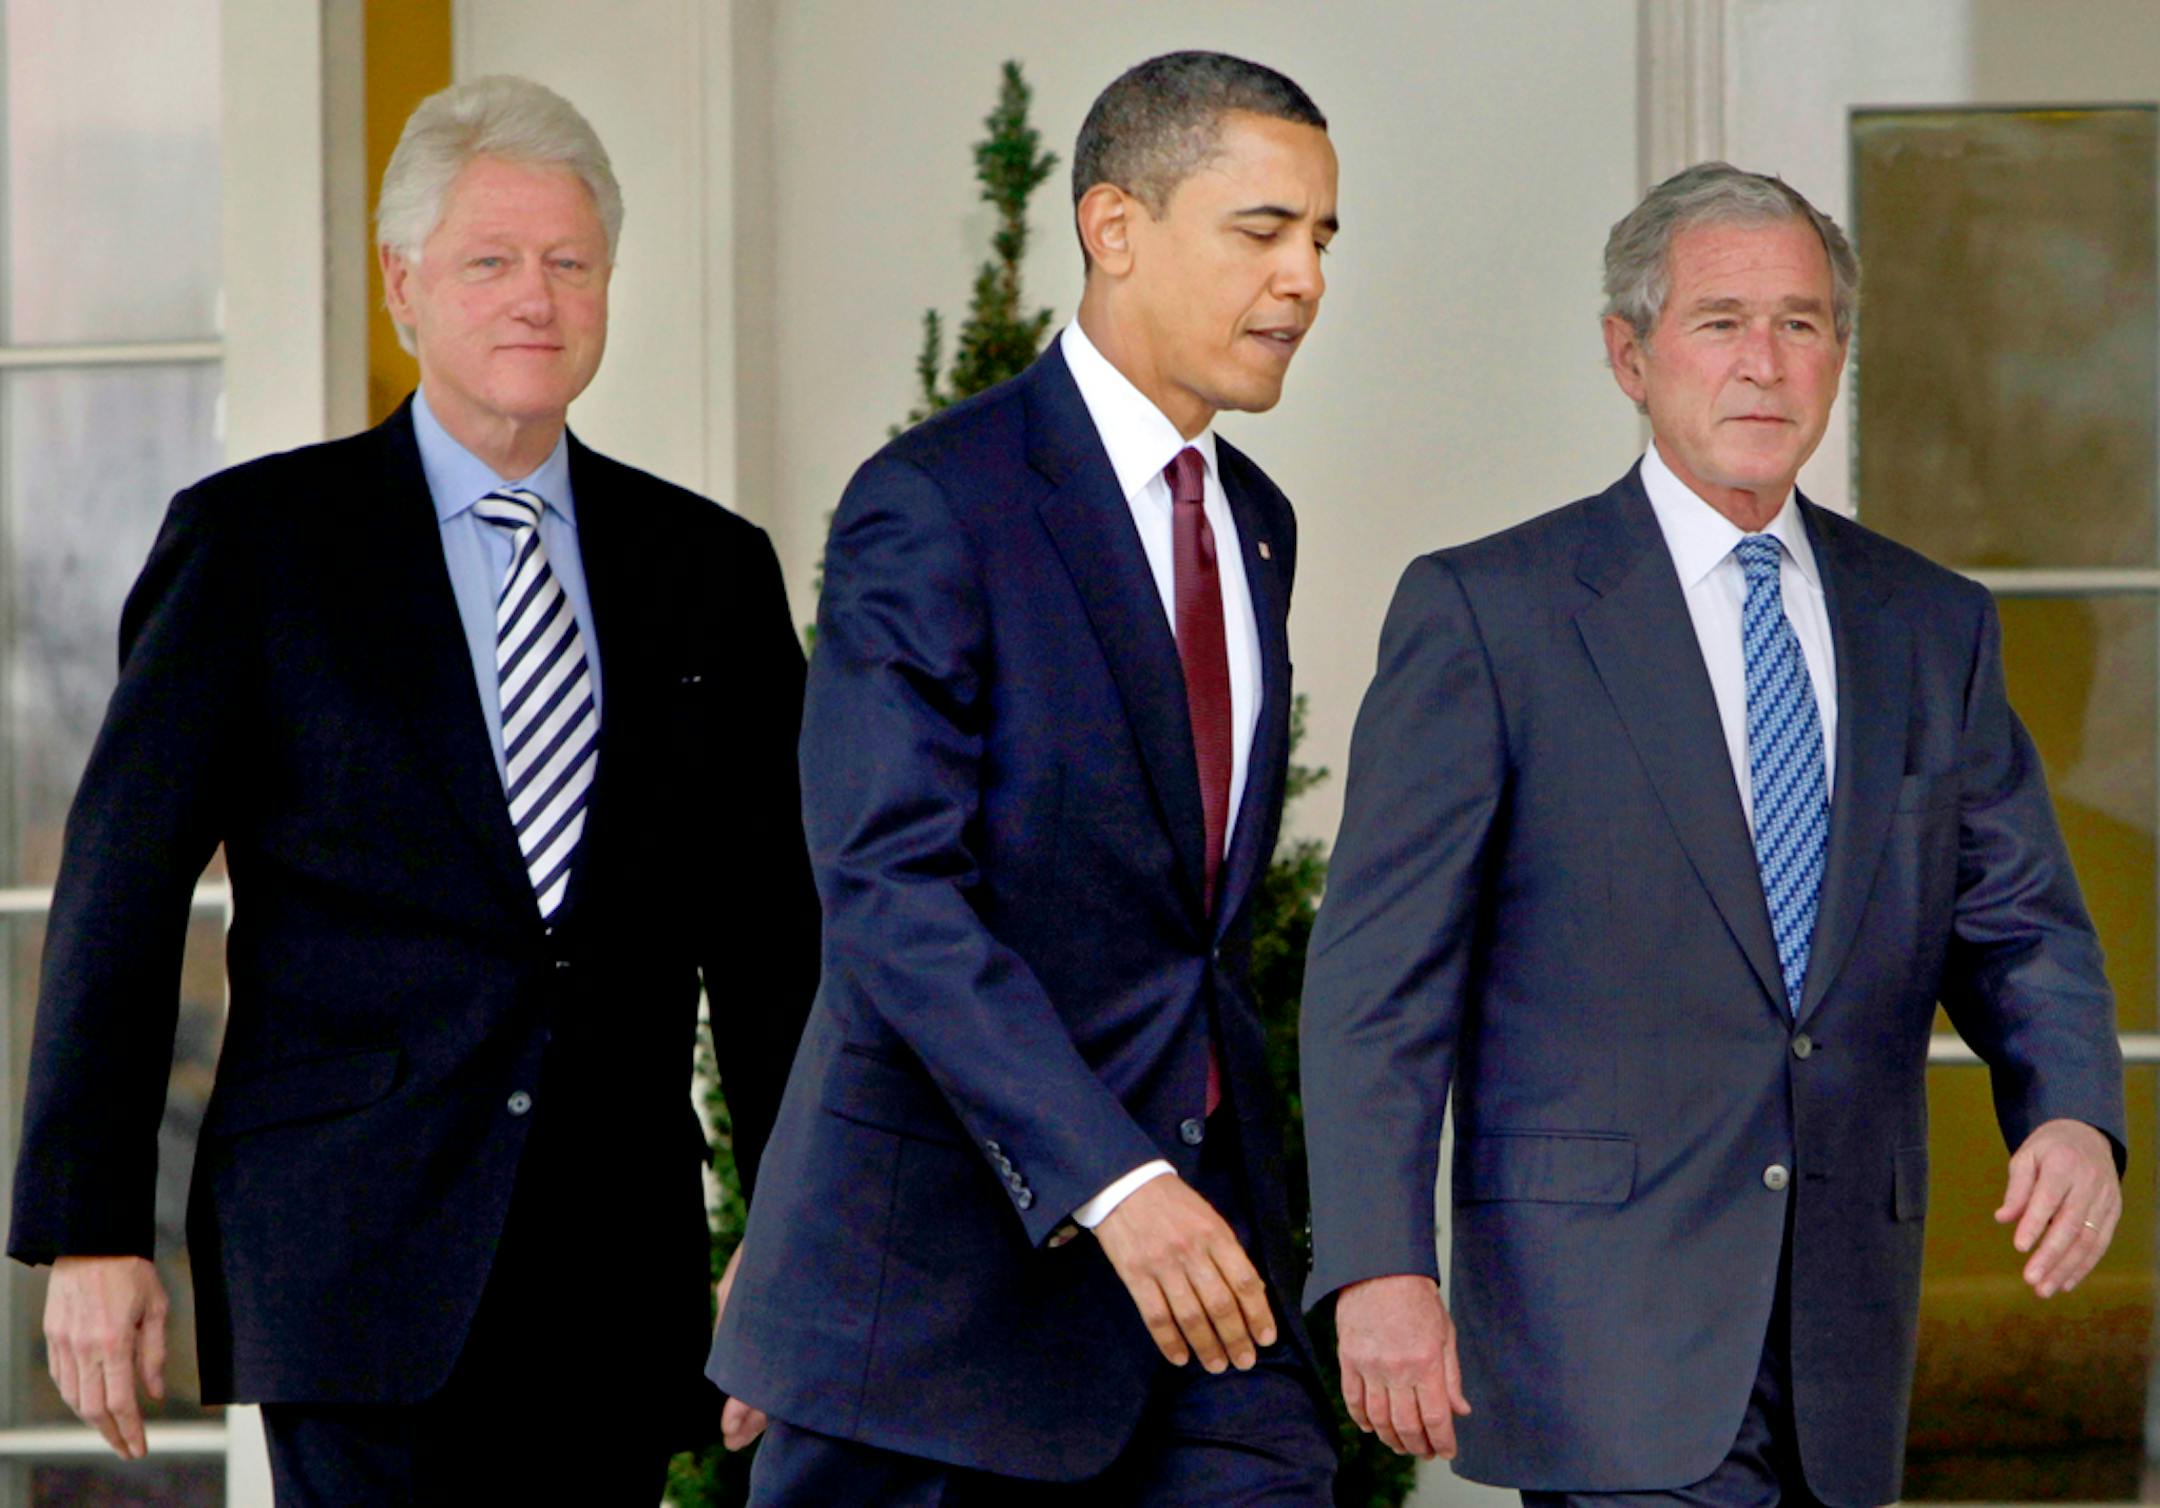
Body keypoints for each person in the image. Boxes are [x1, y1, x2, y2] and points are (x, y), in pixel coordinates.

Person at [8, 75, 818, 1505]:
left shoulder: (711, 573)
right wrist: (92, 1232)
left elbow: (777, 938)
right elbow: (120, 892)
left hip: (614, 1271)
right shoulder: (258, 548)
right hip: (346, 1257)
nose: (535, 297)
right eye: (490, 261)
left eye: (570, 263)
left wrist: (798, 1224)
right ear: (403, 288)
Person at [1299, 161, 2127, 1507]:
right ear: (1629, 353)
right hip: (1603, 1328)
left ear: (1840, 356)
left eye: (1801, 325)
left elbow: (2024, 923)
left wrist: (2075, 1113)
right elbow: (1375, 986)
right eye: (1721, 320)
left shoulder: (1932, 624)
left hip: (1846, 1333)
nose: (1764, 363)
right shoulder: (1490, 614)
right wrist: (1380, 1265)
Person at [709, 50, 1340, 1506]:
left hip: (1209, 1305)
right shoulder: (933, 504)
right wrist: (1116, 1183)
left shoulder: (1255, 522)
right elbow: (888, 893)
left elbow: (1191, 926)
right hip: (932, 1327)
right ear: (1113, 229)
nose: (1303, 279)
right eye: (1262, 231)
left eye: (1320, 238)